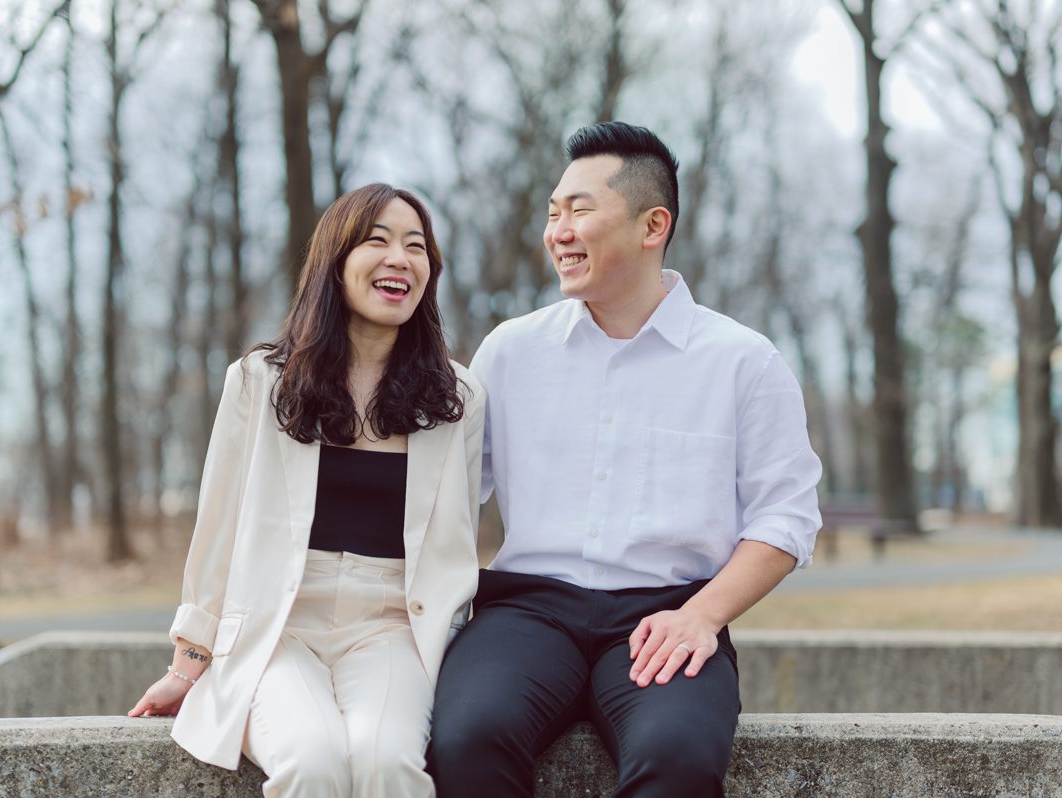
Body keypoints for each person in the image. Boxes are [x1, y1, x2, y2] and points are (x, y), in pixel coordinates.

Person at [427, 122, 822, 797]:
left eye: (580, 210)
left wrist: (703, 614)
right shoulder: (510, 351)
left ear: (652, 225)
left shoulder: (742, 361)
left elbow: (785, 517)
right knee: (466, 736)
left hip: (670, 612)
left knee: (679, 759)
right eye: (553, 214)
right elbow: (440, 492)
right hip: (526, 612)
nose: (558, 231)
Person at [129, 183, 485, 798]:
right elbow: (217, 527)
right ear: (336, 262)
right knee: (312, 762)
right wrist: (188, 664)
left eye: (416, 246)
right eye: (377, 241)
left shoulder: (456, 398)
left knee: (388, 764)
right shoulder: (261, 379)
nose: (400, 258)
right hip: (278, 625)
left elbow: (460, 541)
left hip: (391, 626)